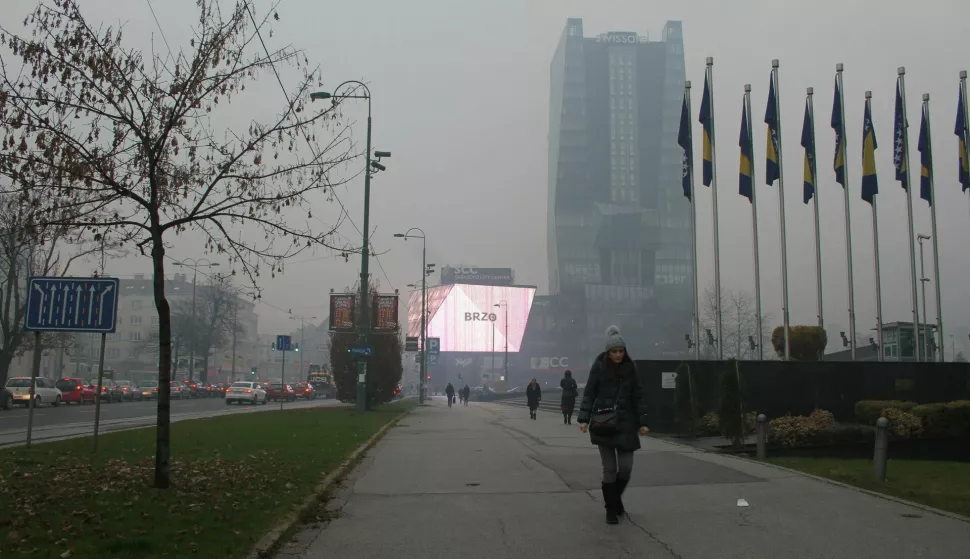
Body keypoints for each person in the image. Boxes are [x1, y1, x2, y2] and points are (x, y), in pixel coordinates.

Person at [577, 325, 649, 525]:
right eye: (614, 351)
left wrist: (643, 422)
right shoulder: (599, 367)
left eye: (621, 351)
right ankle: (611, 508)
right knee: (609, 469)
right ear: (608, 352)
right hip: (604, 424)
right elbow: (589, 393)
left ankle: (615, 499)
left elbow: (638, 396)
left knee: (625, 468)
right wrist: (583, 419)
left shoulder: (631, 369)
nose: (618, 355)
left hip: (626, 424)